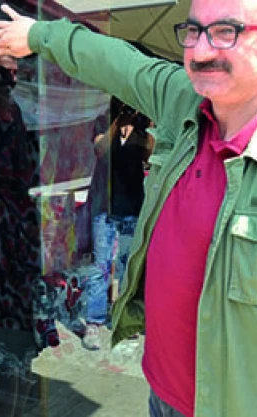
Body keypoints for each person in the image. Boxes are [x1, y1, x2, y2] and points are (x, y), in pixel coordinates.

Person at [0, 0, 257, 416]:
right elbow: (118, 64)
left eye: (226, 32)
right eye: (193, 31)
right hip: (161, 396)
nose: (201, 51)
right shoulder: (184, 101)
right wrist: (38, 35)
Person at [84, 100, 153, 350]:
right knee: (100, 266)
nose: (129, 108)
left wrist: (144, 126)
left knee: (126, 266)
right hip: (106, 205)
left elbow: (149, 157)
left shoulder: (142, 127)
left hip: (132, 206)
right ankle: (94, 322)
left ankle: (121, 315)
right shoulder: (103, 122)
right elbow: (100, 150)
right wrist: (117, 123)